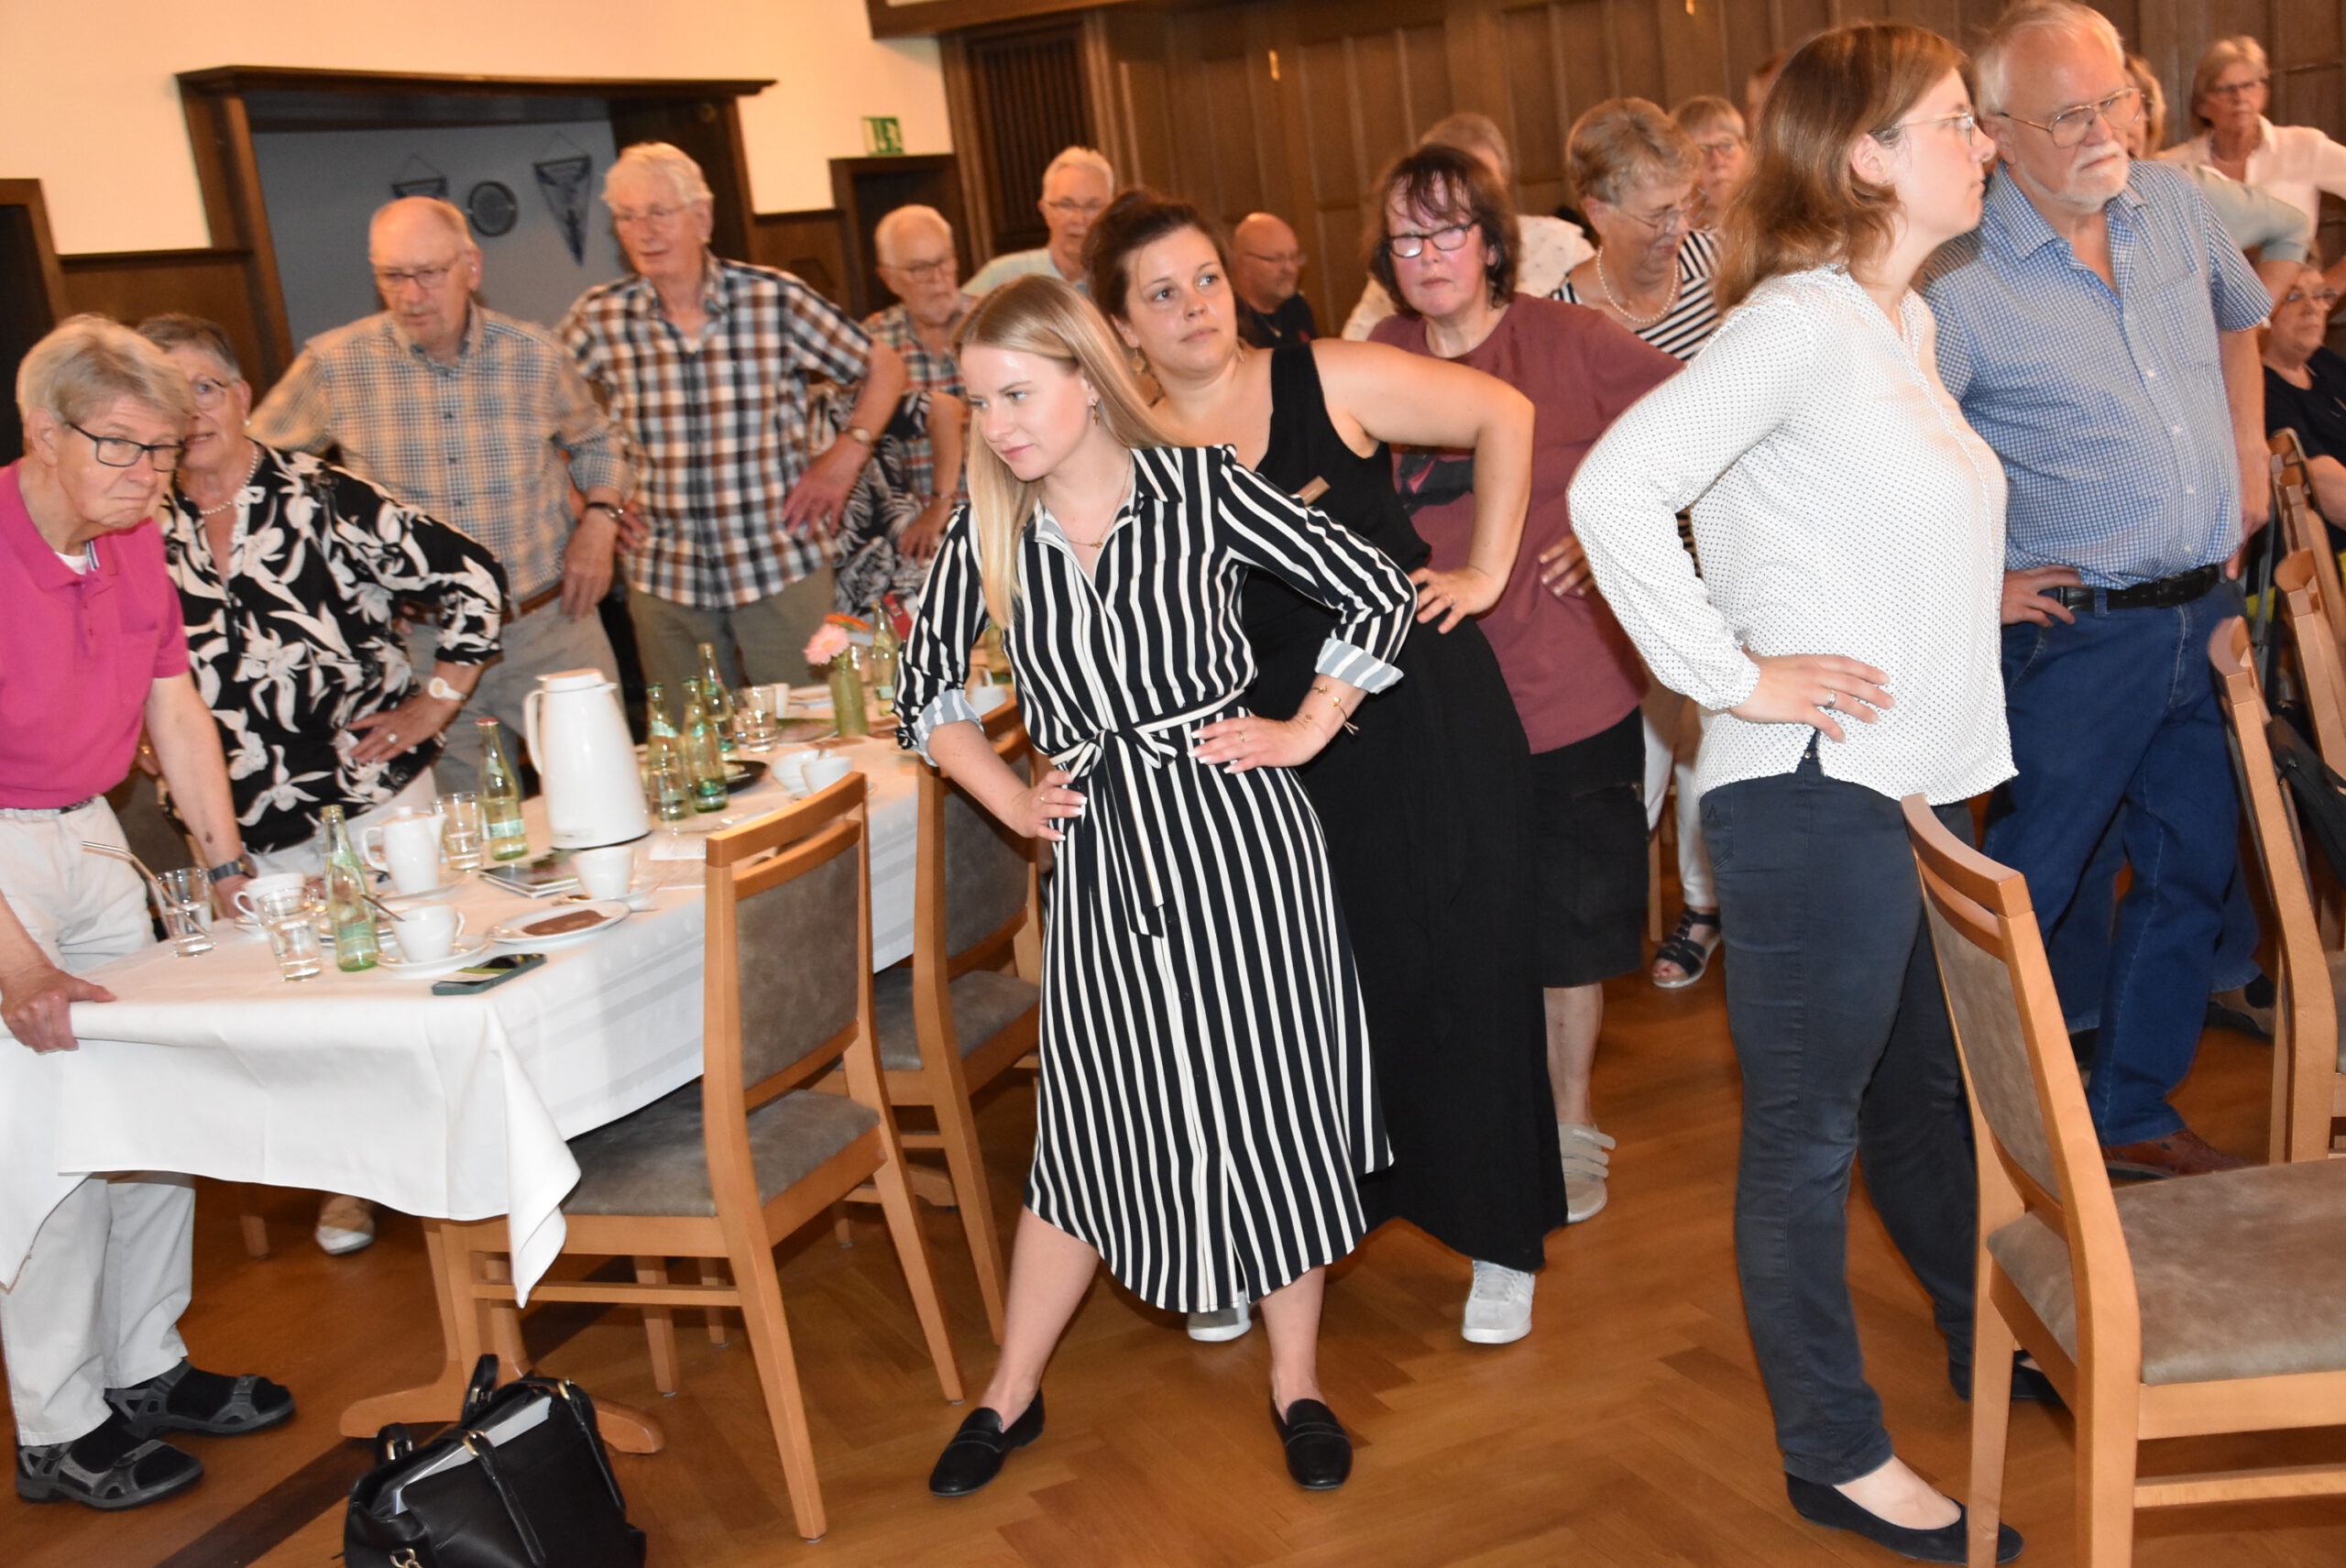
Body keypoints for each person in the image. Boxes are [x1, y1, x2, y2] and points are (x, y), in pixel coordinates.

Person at [1572, 27, 2025, 1563]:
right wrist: (1728, 673)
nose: (1984, 140)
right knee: (1809, 1137)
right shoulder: (1804, 324)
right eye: (1956, 120)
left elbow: (1868, 533)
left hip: (1905, 794)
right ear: (1868, 155)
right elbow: (1614, 487)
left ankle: (1988, 1337)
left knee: (1915, 1106)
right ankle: (1834, 1452)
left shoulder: (1906, 325)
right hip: (1816, 792)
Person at [900, 274, 1416, 1497]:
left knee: (1274, 1101)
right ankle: (1010, 1390)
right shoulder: (989, 532)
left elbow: (1378, 586)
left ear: (1087, 378)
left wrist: (1307, 725)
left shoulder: (1200, 488)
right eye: (980, 403)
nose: (999, 425)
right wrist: (1010, 797)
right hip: (1099, 863)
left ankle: (1298, 1381)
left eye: (1018, 394)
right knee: (1089, 1119)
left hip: (1241, 841)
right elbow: (926, 695)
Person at [1088, 191, 1565, 1346]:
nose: (1195, 307)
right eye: (1162, 293)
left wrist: (1485, 572)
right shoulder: (1122, 446)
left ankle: (1498, 1238)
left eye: (1206, 279)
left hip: (1417, 715)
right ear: (1121, 324)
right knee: (1289, 1006)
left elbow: (1503, 410)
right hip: (1264, 752)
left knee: (1462, 969)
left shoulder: (1324, 375)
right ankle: (1265, 1241)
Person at [1928, 0, 2271, 1179]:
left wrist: (2246, 449)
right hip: (2075, 636)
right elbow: (1903, 454)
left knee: (2192, 867)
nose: (2103, 131)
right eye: (2068, 114)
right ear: (1994, 132)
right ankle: (1989, 1127)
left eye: (2114, 98)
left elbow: (2240, 322)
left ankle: (2129, 1110)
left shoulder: (2171, 202)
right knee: (2037, 880)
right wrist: (1975, 580)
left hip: (2204, 611)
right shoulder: (1957, 274)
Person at [137, 311, 507, 1256]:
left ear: (241, 395)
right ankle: (352, 1179)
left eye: (205, 387)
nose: (191, 412)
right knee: (300, 1015)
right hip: (234, 822)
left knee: (411, 987)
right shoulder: (138, 525)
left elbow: (472, 575)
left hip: (368, 790)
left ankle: (464, 1169)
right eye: (168, 396)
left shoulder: (322, 496)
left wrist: (435, 702)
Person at [2, 314, 291, 1512]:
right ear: (43, 431)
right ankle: (56, 1421)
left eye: (164, 448)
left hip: (90, 831)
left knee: (152, 1114)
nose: (148, 473)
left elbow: (175, 706)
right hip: (4, 857)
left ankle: (143, 1364)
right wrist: (17, 964)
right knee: (50, 1145)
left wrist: (227, 868)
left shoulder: (131, 543)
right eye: (120, 445)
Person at [1368, 145, 1679, 1226]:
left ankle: (1571, 1123)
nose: (1427, 255)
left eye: (1448, 230)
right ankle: (1486, 1122)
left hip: (1564, 685)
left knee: (1564, 926)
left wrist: (1608, 530)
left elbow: (1699, 425)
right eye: (1406, 237)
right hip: (1429, 697)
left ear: (1494, 243)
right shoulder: (1380, 355)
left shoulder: (1570, 340)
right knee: (1458, 921)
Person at [249, 197, 631, 795]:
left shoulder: (534, 354)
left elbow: (596, 442)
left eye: (428, 273)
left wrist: (601, 524)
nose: (411, 295)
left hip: (548, 623)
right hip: (424, 646)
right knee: (467, 825)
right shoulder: (335, 365)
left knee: (603, 793)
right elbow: (256, 478)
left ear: (471, 268)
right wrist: (351, 582)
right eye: (392, 276)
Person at [558, 143, 908, 691]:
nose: (644, 231)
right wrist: (590, 503)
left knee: (814, 722)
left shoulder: (773, 299)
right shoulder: (601, 316)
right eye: (627, 217)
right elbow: (537, 415)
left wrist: (846, 454)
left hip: (778, 560)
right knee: (691, 736)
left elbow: (884, 366)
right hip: (664, 572)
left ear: (702, 218)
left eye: (658, 212)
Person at [1551, 99, 1728, 991]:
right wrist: (1585, 533)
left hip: (1737, 545)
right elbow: (1565, 455)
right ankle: (1605, 927)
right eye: (1657, 213)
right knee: (1647, 750)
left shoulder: (1717, 263)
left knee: (1719, 735)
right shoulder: (1561, 314)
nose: (1677, 229)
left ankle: (1705, 906)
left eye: (1684, 205)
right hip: (1646, 563)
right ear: (1597, 209)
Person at [1340, 113, 1594, 340]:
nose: (1429, 255)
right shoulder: (1404, 262)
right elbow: (1351, 348)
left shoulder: (1562, 243)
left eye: (1450, 229)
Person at [2159, 34, 2346, 293]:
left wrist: (2330, 289)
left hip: (2290, 311)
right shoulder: (2173, 167)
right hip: (2209, 313)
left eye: (2249, 85)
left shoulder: (2304, 147)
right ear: (2202, 105)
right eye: (2225, 89)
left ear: (2264, 93)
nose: (2240, 98)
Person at [2122, 53, 2311, 303]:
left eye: (2122, 103)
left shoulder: (2185, 188)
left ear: (2149, 115)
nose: (2108, 129)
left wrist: (2255, 320)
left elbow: (2291, 226)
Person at [865, 203, 974, 504]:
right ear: (889, 279)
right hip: (918, 525)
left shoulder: (995, 322)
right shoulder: (873, 344)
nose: (938, 278)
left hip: (1005, 517)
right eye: (919, 269)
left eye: (944, 261)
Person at [962, 147, 1114, 297]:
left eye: (1092, 206)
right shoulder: (1004, 276)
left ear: (1111, 212)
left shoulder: (1118, 283)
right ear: (1045, 210)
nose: (1078, 219)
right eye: (1066, 205)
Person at [2264, 262, 2346, 529]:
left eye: (2320, 295)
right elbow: (2333, 495)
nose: (2311, 308)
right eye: (2293, 297)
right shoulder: (2263, 392)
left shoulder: (2322, 362)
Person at [1229, 212, 1319, 347]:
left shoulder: (1296, 307)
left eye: (1294, 257)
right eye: (1276, 259)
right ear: (1244, 263)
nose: (1290, 269)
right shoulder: (1230, 320)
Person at [1673, 94, 1751, 230]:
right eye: (1701, 149)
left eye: (1727, 145)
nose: (1718, 161)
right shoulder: (1675, 237)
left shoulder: (1770, 227)